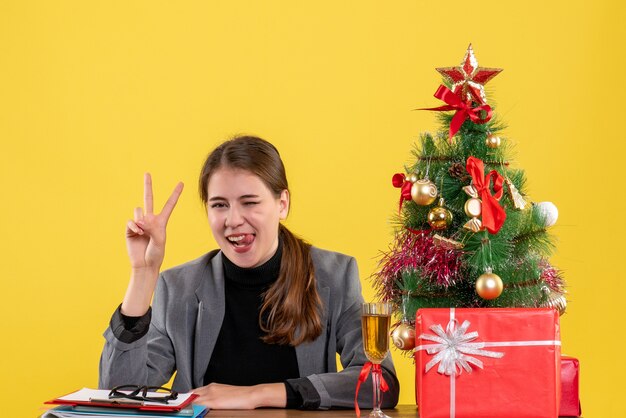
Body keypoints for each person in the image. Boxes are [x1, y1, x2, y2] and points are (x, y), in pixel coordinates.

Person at [99, 135, 399, 410]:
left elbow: (379, 382)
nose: (233, 220)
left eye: (249, 202)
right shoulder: (177, 286)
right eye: (219, 205)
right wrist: (143, 274)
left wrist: (256, 394)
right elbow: (117, 396)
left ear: (282, 204)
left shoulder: (334, 275)